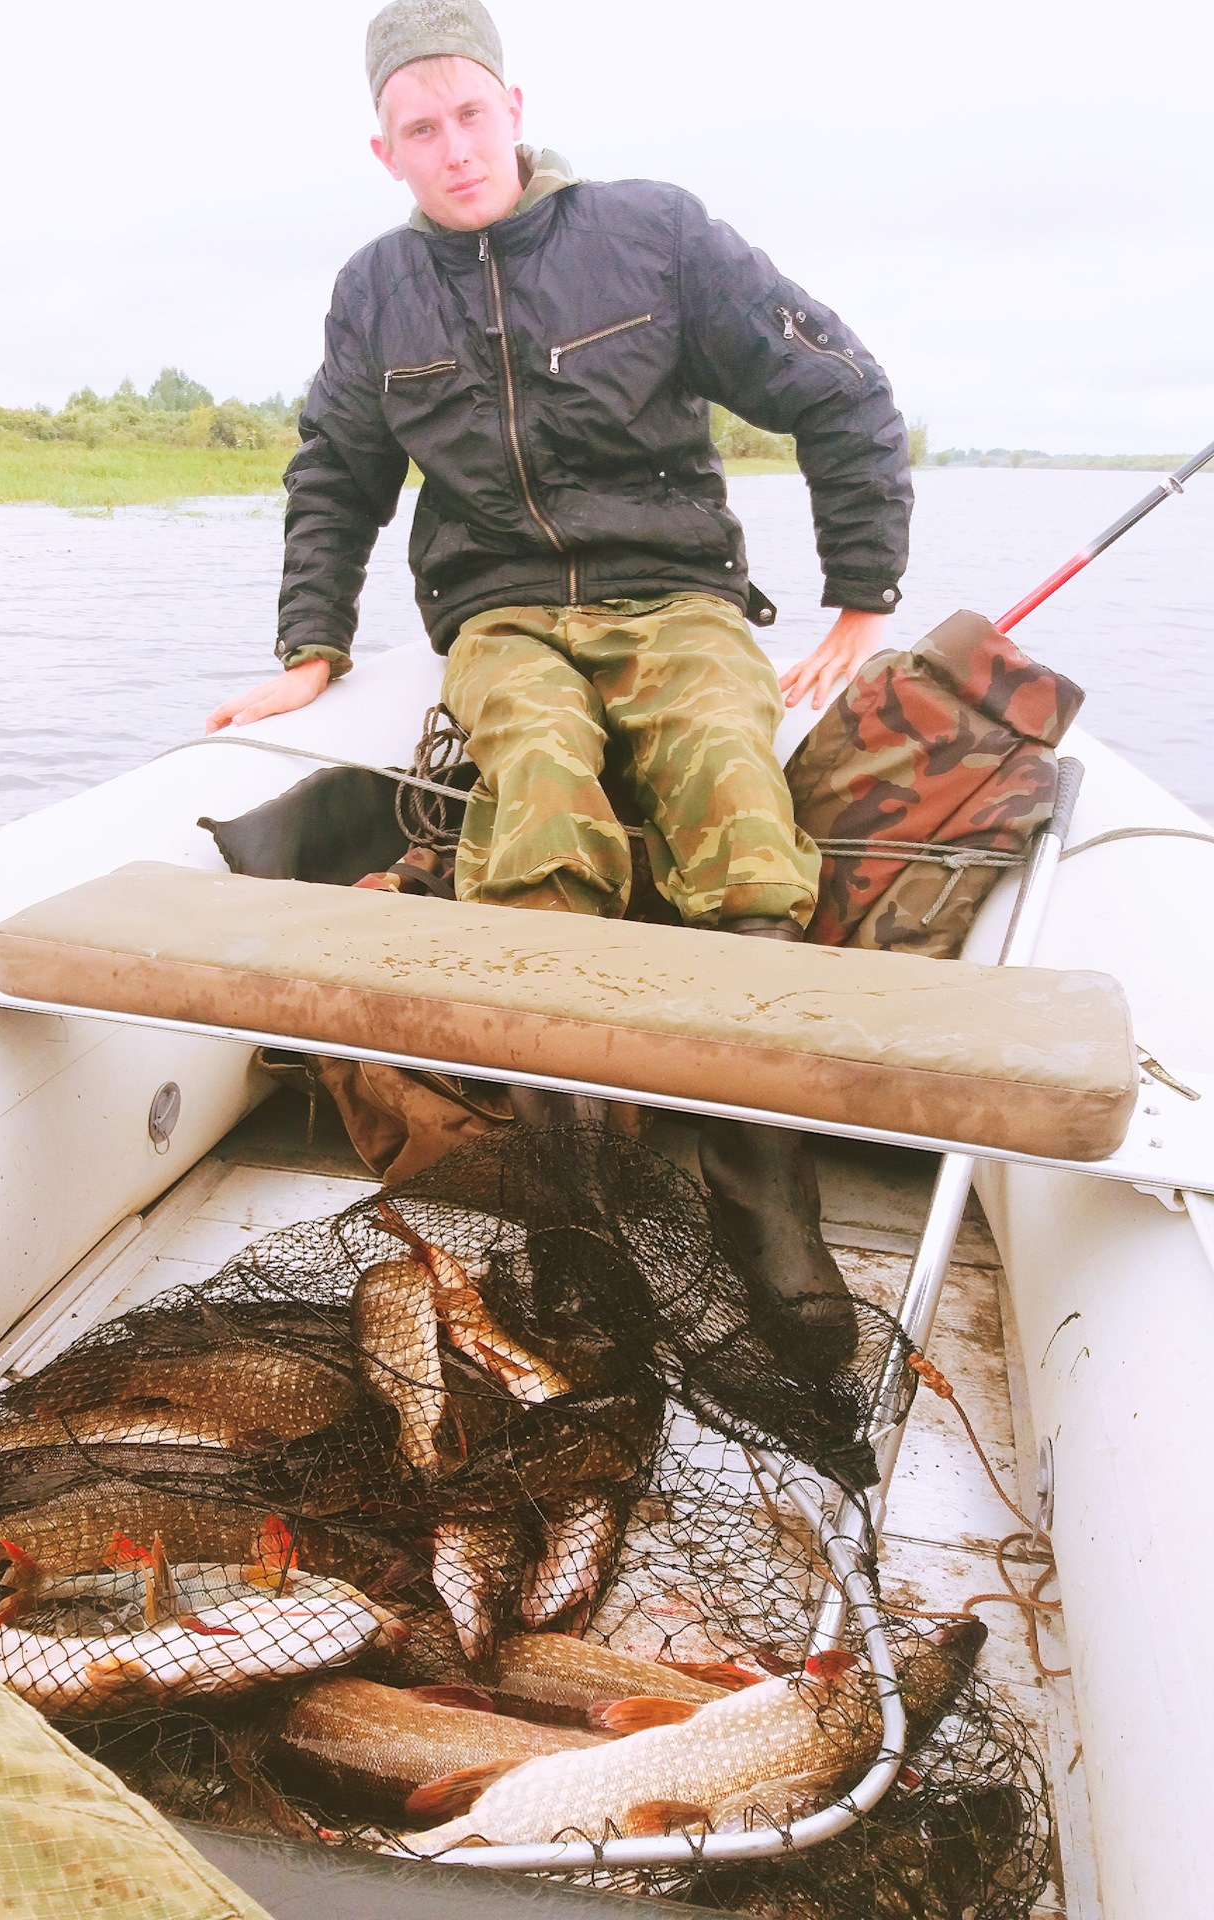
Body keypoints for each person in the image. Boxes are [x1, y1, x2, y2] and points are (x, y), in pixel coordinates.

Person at [207, 0, 913, 1372]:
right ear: (385, 149)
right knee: (531, 792)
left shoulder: (653, 232)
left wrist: (864, 599)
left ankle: (770, 1205)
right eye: (423, 128)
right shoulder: (375, 290)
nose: (455, 145)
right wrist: (310, 649)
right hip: (501, 613)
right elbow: (334, 476)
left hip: (678, 597)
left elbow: (841, 389)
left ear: (515, 110)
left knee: (728, 782)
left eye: (472, 113)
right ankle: (576, 1213)